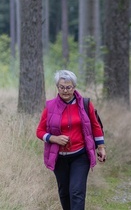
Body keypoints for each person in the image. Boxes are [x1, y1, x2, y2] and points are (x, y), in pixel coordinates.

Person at [36, 70, 106, 210]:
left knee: (76, 192)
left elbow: (95, 126)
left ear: (74, 87)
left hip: (80, 156)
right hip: (59, 158)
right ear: (57, 87)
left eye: (68, 87)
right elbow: (39, 132)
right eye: (61, 87)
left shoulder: (86, 104)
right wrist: (53, 138)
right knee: (64, 193)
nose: (65, 90)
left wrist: (101, 147)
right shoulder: (50, 106)